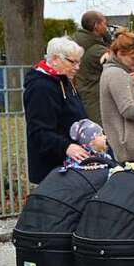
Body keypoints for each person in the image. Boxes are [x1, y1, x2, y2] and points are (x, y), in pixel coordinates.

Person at [23, 37, 88, 183]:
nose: (77, 67)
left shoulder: (64, 80)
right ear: (55, 59)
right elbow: (38, 131)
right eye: (73, 62)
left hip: (71, 166)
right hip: (53, 170)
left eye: (79, 62)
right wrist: (66, 147)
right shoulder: (40, 87)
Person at [99, 31, 134, 163]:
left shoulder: (114, 71)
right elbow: (128, 109)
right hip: (130, 150)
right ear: (119, 54)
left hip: (129, 148)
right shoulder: (117, 74)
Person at [73, 11, 110, 123]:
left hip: (81, 92)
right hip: (94, 96)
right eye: (104, 24)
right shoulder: (96, 49)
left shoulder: (76, 41)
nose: (106, 27)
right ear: (96, 26)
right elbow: (120, 63)